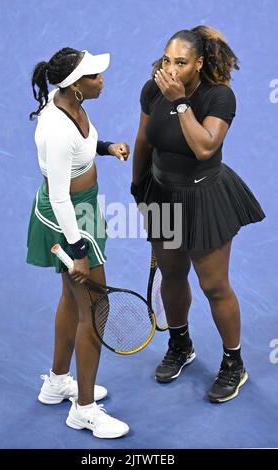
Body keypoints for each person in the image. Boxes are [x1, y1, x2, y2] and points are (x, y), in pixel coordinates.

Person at [131, 26, 265, 403]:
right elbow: (144, 140)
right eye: (167, 59)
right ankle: (180, 344)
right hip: (162, 195)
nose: (170, 69)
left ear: (199, 64)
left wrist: (180, 103)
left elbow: (205, 147)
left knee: (214, 285)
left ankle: (233, 363)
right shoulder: (152, 89)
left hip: (205, 198)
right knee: (172, 274)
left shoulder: (220, 97)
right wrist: (139, 187)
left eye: (181, 62)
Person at [27, 47, 130, 437]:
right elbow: (58, 196)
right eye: (95, 76)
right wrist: (78, 251)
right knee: (96, 307)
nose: (102, 79)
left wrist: (106, 148)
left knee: (72, 299)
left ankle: (56, 382)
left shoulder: (74, 104)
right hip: (69, 219)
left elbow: (80, 151)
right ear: (76, 85)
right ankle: (84, 409)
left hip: (80, 209)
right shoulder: (54, 127)